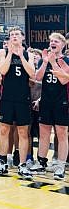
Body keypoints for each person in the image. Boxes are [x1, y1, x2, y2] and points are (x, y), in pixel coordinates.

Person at [0, 27, 35, 179]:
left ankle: (22, 165)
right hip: (7, 98)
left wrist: (21, 56)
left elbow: (32, 73)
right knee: (4, 130)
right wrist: (11, 52)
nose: (14, 37)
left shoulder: (28, 54)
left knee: (23, 132)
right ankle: (2, 161)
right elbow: (2, 71)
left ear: (23, 37)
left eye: (17, 34)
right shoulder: (3, 53)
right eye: (11, 35)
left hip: (23, 98)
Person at [31, 33, 68, 180]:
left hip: (62, 102)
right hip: (46, 101)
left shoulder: (67, 60)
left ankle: (60, 165)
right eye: (51, 41)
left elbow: (64, 80)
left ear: (62, 45)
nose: (52, 43)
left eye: (56, 41)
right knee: (44, 133)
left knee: (62, 134)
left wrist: (53, 63)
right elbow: (37, 78)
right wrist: (46, 62)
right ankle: (41, 162)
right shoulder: (43, 60)